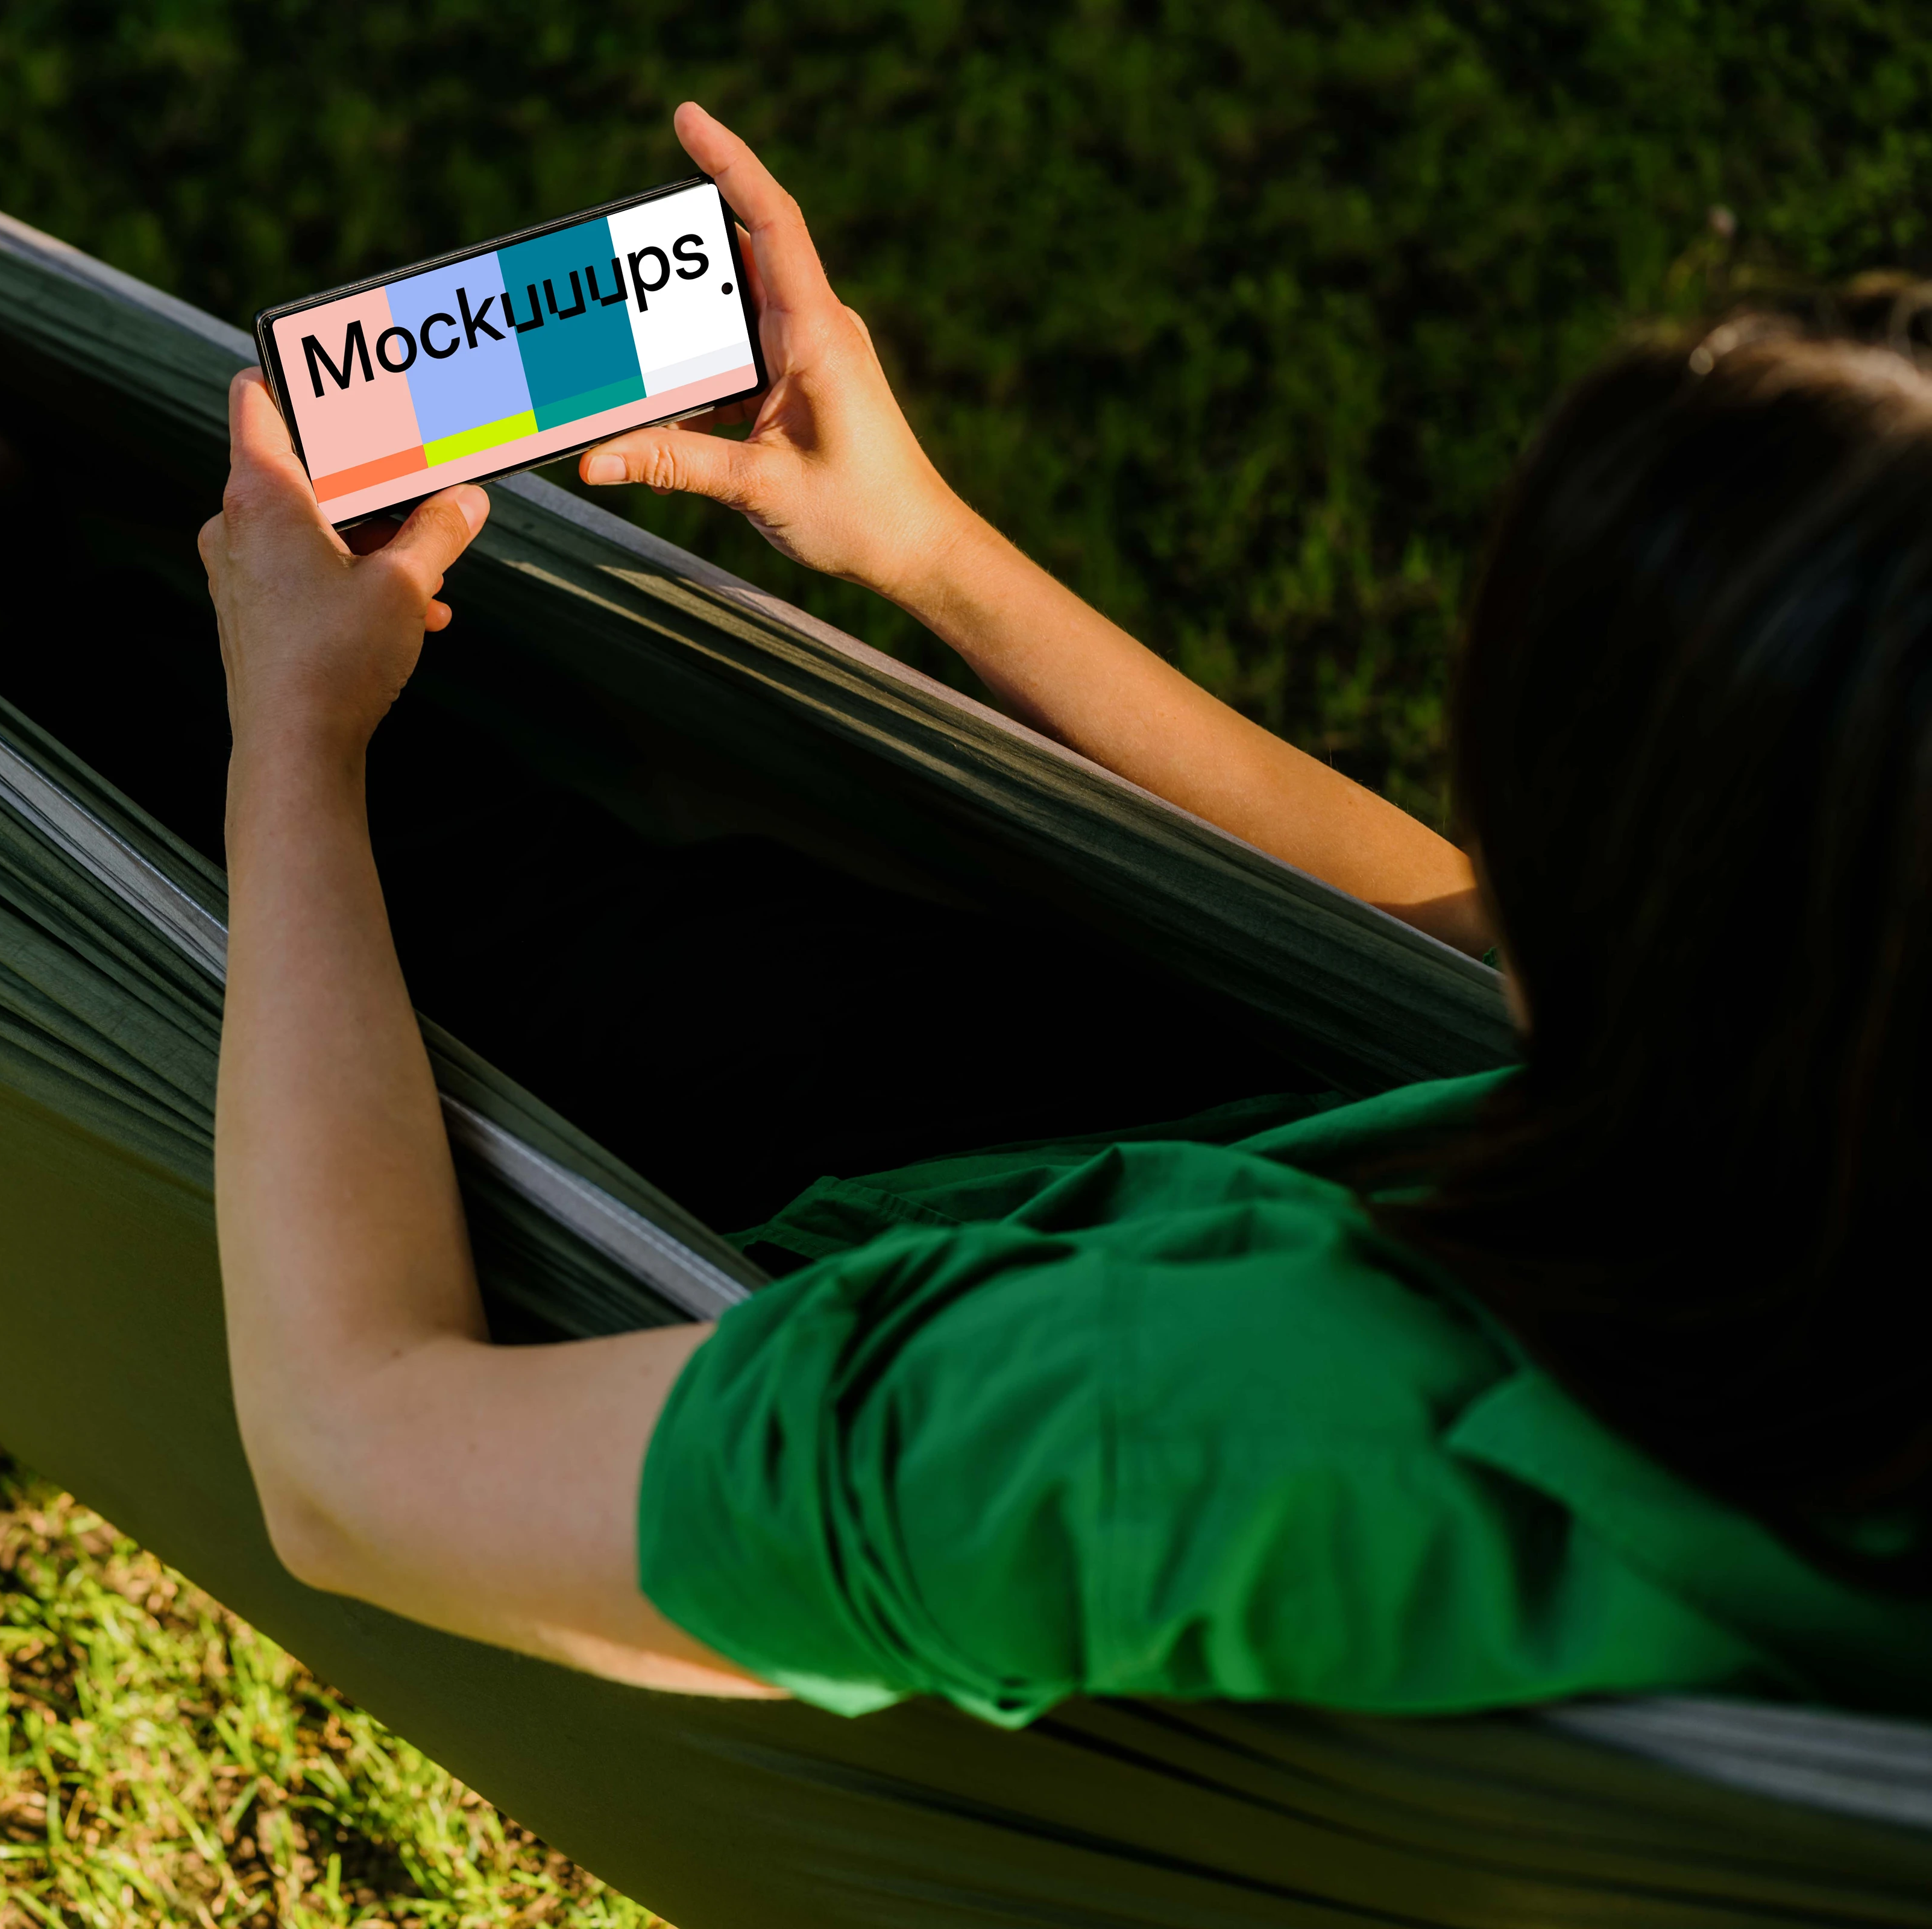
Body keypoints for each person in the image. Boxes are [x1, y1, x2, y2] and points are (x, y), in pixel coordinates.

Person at [197, 102, 1932, 1719]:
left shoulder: (1145, 1428)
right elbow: (1468, 941)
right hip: (1259, 1161)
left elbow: (355, 1467)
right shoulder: (1830, 1172)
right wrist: (924, 543)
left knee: (516, 892)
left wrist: (296, 728)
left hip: (818, 1263)